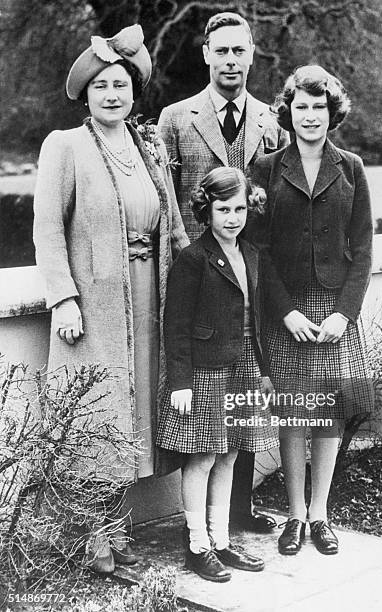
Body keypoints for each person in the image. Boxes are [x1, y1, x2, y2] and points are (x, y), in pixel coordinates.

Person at [33, 25, 189, 574]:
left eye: (119, 83)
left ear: (133, 89)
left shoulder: (148, 146)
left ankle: (117, 530)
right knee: (98, 415)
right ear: (85, 94)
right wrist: (63, 299)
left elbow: (173, 229)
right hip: (96, 307)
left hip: (151, 299)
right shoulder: (66, 146)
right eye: (100, 86)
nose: (111, 94)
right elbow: (48, 230)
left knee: (138, 410)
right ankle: (94, 540)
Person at [158, 10, 289, 533]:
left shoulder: (269, 122)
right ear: (207, 54)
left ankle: (238, 511)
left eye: (240, 51)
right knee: (206, 406)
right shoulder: (175, 118)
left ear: (252, 55)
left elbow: (275, 204)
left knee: (241, 399)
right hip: (197, 271)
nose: (231, 60)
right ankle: (200, 524)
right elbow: (166, 202)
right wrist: (181, 255)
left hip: (250, 275)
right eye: (222, 51)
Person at [248, 65, 374, 556]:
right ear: (288, 111)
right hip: (287, 310)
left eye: (319, 107)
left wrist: (345, 312)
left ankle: (321, 513)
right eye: (301, 106)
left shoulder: (352, 167)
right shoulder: (266, 169)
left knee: (328, 413)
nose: (310, 115)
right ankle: (295, 516)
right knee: (294, 412)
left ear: (332, 112)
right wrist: (284, 312)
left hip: (334, 309)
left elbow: (362, 248)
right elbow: (256, 250)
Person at [156, 167, 279, 582]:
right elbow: (175, 325)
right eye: (223, 209)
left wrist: (263, 371)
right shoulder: (193, 259)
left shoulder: (253, 254)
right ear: (206, 211)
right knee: (204, 456)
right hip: (206, 371)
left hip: (244, 364)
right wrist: (181, 381)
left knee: (230, 453)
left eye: (240, 208)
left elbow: (256, 320)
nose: (232, 217)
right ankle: (196, 545)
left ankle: (221, 541)